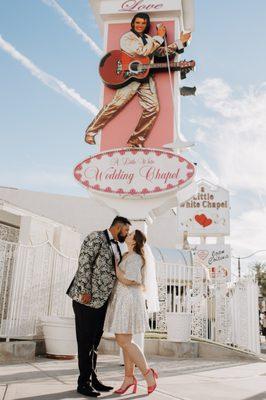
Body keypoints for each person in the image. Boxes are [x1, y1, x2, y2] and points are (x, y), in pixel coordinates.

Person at [85, 12, 191, 148]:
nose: (140, 25)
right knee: (115, 105)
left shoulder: (148, 38)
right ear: (133, 23)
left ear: (146, 25)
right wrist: (158, 36)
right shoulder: (127, 38)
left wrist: (179, 43)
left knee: (153, 108)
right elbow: (141, 52)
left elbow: (160, 53)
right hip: (129, 76)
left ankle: (135, 141)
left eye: (143, 23)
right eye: (138, 22)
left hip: (146, 78)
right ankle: (91, 130)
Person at [66, 216, 131, 397]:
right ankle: (83, 383)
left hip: (102, 302)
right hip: (86, 299)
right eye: (125, 230)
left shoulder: (117, 245)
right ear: (118, 227)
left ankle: (93, 379)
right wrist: (85, 290)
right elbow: (84, 264)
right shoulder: (95, 237)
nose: (126, 234)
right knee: (85, 342)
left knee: (94, 343)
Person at [104, 230, 158, 395]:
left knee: (124, 340)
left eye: (130, 234)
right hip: (123, 299)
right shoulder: (127, 254)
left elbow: (129, 279)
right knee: (125, 341)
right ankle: (129, 378)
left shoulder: (135, 257)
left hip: (129, 300)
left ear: (135, 241)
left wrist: (115, 268)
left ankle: (148, 374)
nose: (127, 234)